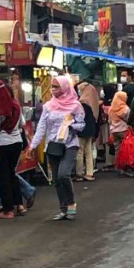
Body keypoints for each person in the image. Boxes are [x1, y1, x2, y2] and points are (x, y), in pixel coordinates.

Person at [28, 75, 85, 221]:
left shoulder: (75, 106)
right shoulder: (48, 106)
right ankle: (63, 209)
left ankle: (71, 203)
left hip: (69, 144)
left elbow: (81, 125)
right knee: (56, 180)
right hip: (53, 146)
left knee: (63, 174)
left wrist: (70, 126)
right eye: (52, 87)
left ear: (65, 87)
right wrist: (33, 145)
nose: (53, 89)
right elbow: (41, 127)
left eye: (56, 86)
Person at [0, 78, 26, 219]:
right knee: (11, 174)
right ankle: (19, 205)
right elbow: (22, 124)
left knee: (3, 178)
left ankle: (8, 210)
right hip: (16, 143)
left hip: (1, 146)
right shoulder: (15, 105)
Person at [75, 79, 103, 182]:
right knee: (88, 151)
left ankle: (79, 173)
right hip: (91, 129)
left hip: (82, 130)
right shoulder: (94, 102)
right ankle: (89, 173)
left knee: (79, 151)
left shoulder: (81, 103)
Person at [107, 90, 133, 175]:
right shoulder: (126, 108)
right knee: (126, 149)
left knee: (117, 149)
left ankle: (118, 166)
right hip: (124, 131)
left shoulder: (111, 108)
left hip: (114, 131)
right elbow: (129, 120)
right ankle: (125, 166)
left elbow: (109, 120)